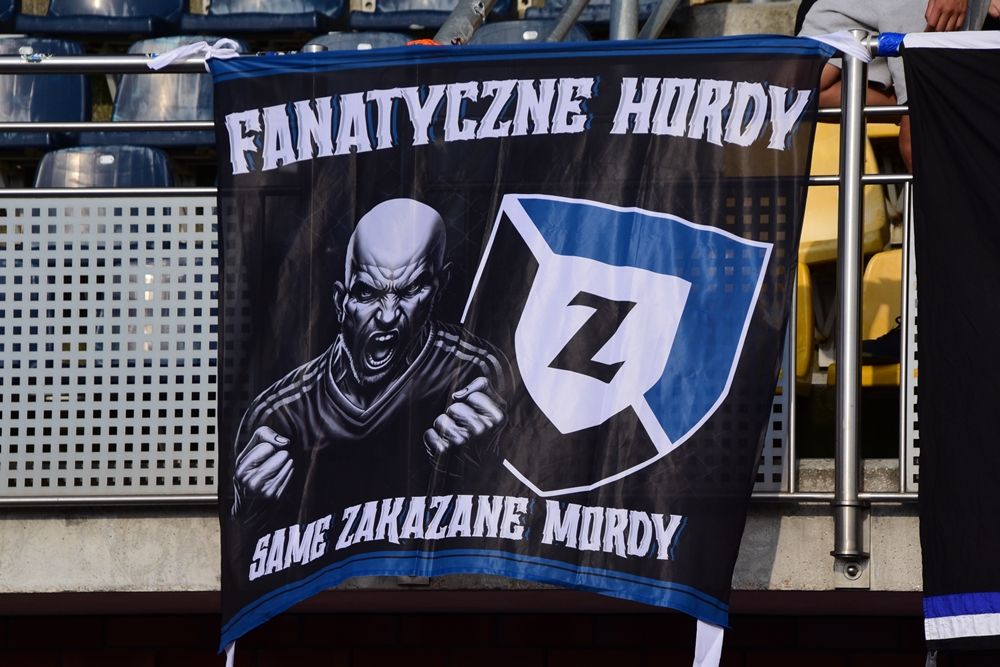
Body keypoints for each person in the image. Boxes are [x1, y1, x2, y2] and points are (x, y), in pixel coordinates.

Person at [231, 198, 509, 532]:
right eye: (367, 293)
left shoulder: (470, 374)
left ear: (438, 289)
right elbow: (247, 543)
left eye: (411, 289)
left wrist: (485, 460)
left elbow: (512, 512)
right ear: (340, 302)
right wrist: (250, 505)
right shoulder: (282, 414)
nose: (388, 316)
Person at [798, 0, 1000, 170]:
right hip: (843, 9)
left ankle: (933, 106)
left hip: (926, 7)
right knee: (798, 94)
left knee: (918, 138)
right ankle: (940, 105)